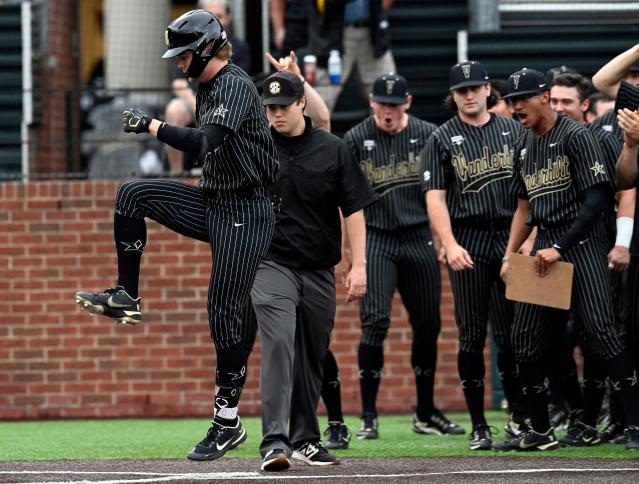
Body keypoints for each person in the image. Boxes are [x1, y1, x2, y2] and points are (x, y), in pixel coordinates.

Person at [75, 9, 279, 461]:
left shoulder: (233, 84)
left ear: (206, 47)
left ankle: (226, 422)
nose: (178, 63)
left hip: (249, 208)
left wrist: (150, 125)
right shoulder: (204, 84)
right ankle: (127, 295)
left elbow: (204, 143)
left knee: (223, 307)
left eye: (184, 54)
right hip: (216, 199)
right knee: (131, 194)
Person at [494, 68, 639, 451]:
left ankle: (636, 425)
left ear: (543, 97)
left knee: (602, 333)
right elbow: (524, 206)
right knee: (523, 339)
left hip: (584, 244)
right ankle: (540, 431)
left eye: (522, 99)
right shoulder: (523, 145)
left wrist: (560, 246)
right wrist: (511, 254)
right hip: (544, 248)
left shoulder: (578, 137)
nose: (516, 106)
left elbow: (596, 201)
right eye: (511, 101)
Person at [255, 70, 377, 471]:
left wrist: (358, 265)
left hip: (320, 270)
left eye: (283, 107)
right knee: (278, 345)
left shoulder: (333, 148)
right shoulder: (256, 147)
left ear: (301, 104)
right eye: (269, 108)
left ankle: (306, 438)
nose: (275, 115)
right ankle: (274, 441)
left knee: (312, 356)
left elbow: (354, 209)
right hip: (271, 264)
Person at [341, 73, 463, 441]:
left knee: (428, 326)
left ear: (407, 103)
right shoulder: (356, 139)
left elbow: (447, 190)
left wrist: (446, 238)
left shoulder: (430, 135)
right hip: (377, 237)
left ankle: (425, 412)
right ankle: (367, 415)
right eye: (381, 104)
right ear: (372, 103)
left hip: (418, 236)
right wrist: (347, 251)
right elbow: (343, 199)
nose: (387, 112)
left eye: (394, 105)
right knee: (375, 323)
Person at [423, 61, 525, 451]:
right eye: (460, 90)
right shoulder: (442, 137)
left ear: (487, 90)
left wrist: (521, 246)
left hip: (509, 238)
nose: (468, 95)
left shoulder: (513, 131)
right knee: (470, 336)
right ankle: (479, 425)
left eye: (474, 88)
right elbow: (435, 197)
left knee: (512, 336)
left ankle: (518, 417)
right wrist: (448, 243)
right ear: (453, 96)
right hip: (467, 240)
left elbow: (527, 192)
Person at [547, 72, 633, 447]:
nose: (559, 108)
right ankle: (584, 418)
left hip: (603, 247)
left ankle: (624, 420)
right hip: (560, 249)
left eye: (567, 101)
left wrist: (623, 243)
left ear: (584, 105)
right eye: (554, 101)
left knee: (604, 334)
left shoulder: (601, 138)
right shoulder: (545, 141)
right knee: (561, 337)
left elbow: (627, 190)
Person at [307, 0, 396, 113]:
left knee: (389, 96)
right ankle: (314, 131)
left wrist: (378, 12)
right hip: (332, 34)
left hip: (373, 33)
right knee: (320, 102)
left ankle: (384, 131)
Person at [198, 0, 251, 74]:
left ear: (228, 18)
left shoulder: (240, 47)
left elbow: (239, 79)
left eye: (219, 16)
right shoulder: (189, 45)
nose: (214, 21)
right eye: (208, 16)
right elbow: (179, 78)